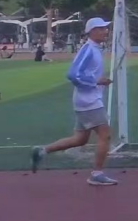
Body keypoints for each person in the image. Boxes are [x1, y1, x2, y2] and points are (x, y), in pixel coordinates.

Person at [30, 17, 118, 185]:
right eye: (101, 28)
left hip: (86, 100)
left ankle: (42, 151)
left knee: (80, 139)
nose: (105, 31)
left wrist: (99, 81)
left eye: (105, 28)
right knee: (105, 135)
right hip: (89, 101)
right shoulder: (88, 49)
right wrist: (96, 81)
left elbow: (85, 74)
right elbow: (73, 74)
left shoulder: (94, 49)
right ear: (92, 31)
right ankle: (97, 174)